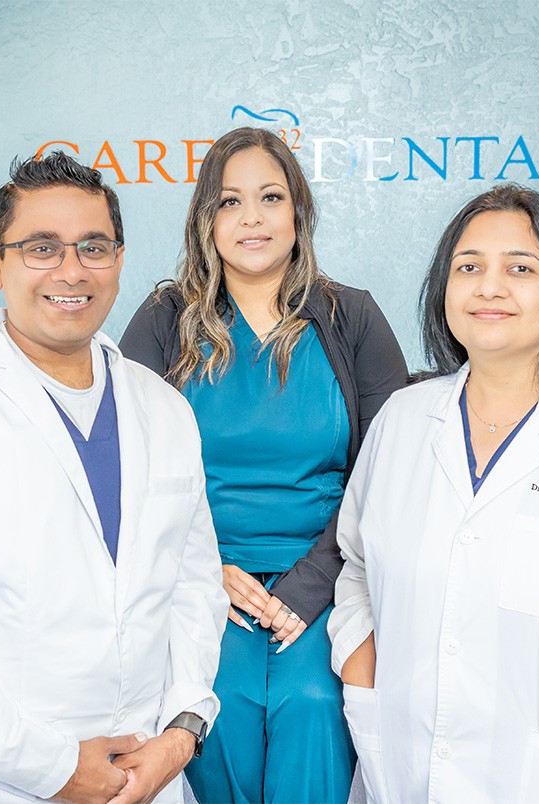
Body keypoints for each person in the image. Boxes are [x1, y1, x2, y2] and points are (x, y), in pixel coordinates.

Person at [120, 126, 407, 803]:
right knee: (223, 704)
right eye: (229, 201)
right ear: (204, 221)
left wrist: (309, 586)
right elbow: (127, 474)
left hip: (330, 569)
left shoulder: (353, 318)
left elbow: (391, 476)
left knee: (313, 701)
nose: (252, 218)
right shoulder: (165, 319)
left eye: (270, 197)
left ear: (298, 214)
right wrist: (204, 571)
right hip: (201, 575)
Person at [0, 151, 228, 803]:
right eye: (42, 248)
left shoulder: (163, 406)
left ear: (119, 258)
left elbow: (194, 585)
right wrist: (53, 769)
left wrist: (184, 728)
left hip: (150, 773)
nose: (72, 271)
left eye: (94, 247)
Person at [328, 184, 539, 804]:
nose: (488, 287)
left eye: (520, 268)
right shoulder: (403, 417)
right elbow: (356, 566)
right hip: (398, 763)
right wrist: (363, 678)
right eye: (468, 267)